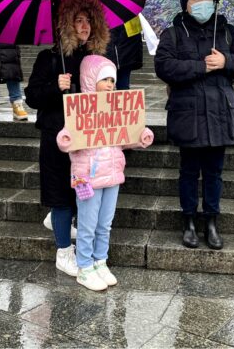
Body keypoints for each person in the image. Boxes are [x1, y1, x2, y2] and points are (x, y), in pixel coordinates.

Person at [154, 0, 234, 250]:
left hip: (220, 112)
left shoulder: (228, 31)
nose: (202, 2)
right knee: (188, 171)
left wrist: (226, 61)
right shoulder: (173, 33)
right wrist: (201, 67)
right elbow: (164, 66)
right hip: (188, 114)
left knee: (214, 172)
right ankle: (188, 221)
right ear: (186, 4)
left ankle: (211, 221)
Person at [24, 0, 110, 276]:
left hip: (87, 139)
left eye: (88, 21)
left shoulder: (97, 60)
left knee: (80, 193)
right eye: (78, 21)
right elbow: (32, 97)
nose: (84, 27)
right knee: (60, 195)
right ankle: (64, 251)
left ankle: (64, 224)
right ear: (66, 25)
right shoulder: (49, 59)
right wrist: (54, 86)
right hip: (56, 137)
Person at [57, 55, 154, 291]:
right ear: (91, 81)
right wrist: (66, 139)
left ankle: (100, 261)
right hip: (88, 178)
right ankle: (85, 266)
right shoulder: (79, 109)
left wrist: (141, 136)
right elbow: (66, 139)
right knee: (87, 225)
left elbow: (126, 136)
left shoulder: (116, 110)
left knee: (105, 224)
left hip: (112, 175)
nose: (111, 84)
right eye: (105, 80)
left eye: (113, 80)